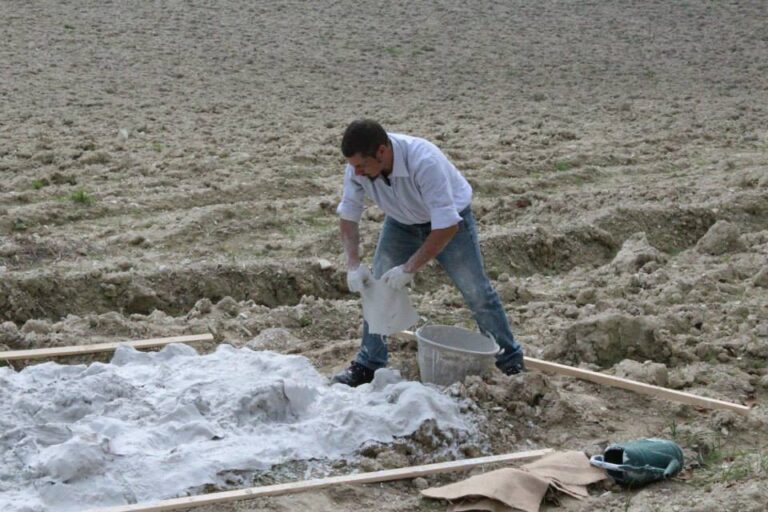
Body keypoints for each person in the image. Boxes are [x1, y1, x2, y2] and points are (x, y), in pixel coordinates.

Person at [332, 119, 525, 387]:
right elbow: (349, 215)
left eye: (362, 166)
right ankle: (369, 362)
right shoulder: (357, 170)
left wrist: (409, 268)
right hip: (401, 222)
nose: (357, 173)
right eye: (354, 167)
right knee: (378, 287)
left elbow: (446, 226)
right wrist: (352, 264)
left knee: (476, 292)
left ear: (381, 151)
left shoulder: (424, 161)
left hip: (450, 222)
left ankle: (510, 361)